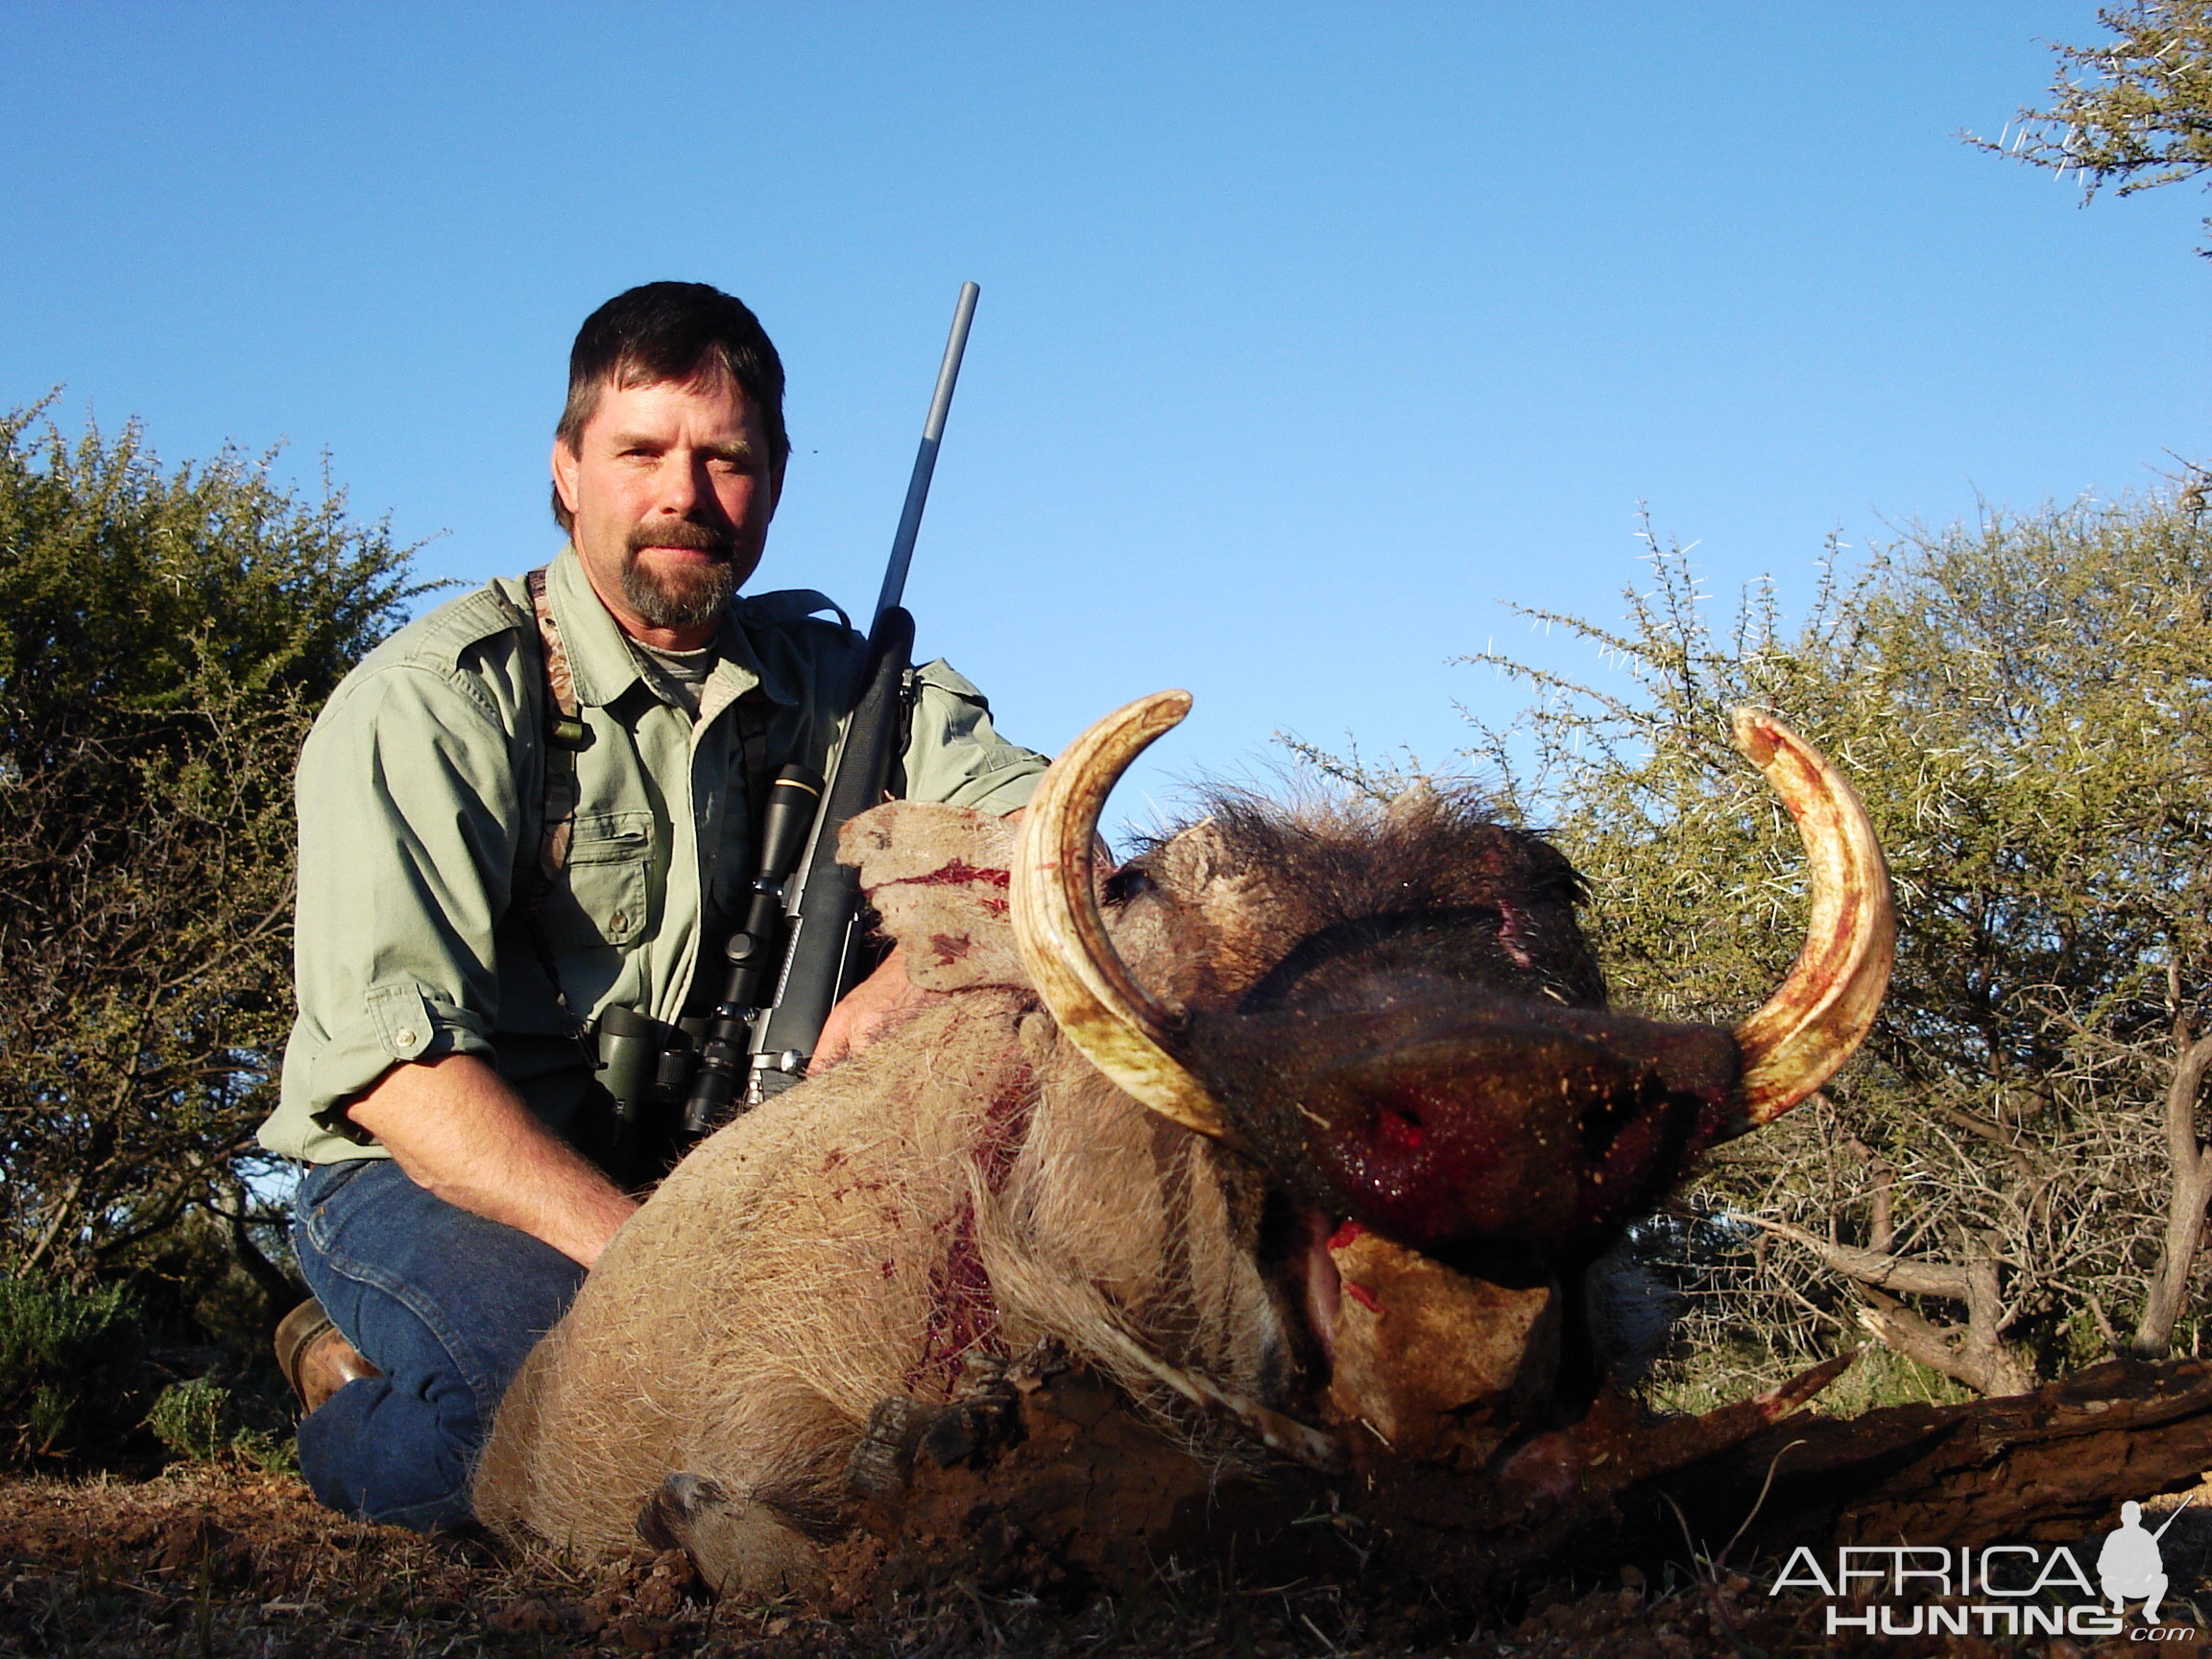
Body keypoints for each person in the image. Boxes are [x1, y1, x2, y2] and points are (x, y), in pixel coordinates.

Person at [256, 281, 1046, 1532]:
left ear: (774, 483)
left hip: (699, 1176)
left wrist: (927, 962)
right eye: (641, 452)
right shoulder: (432, 703)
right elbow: (401, 1085)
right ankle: (339, 1409)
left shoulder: (850, 688)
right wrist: (664, 1264)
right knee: (558, 1425)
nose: (684, 492)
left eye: (726, 457)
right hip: (434, 1178)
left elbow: (1048, 830)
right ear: (568, 471)